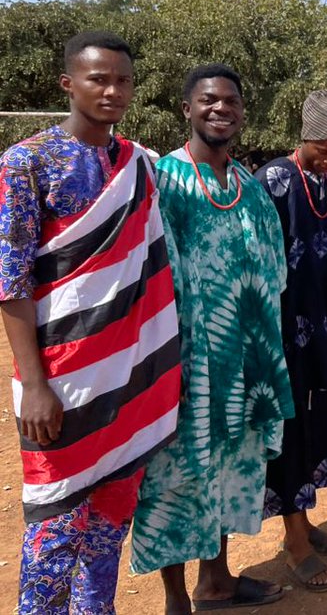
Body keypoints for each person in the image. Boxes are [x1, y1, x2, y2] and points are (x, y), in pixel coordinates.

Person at [0, 31, 180, 615]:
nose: (112, 91)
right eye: (98, 79)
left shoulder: (138, 165)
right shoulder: (25, 163)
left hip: (129, 373)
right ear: (68, 84)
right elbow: (11, 281)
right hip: (62, 377)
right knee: (55, 525)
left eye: (123, 80)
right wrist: (34, 384)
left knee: (108, 524)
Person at [131, 64, 294, 613]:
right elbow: (151, 275)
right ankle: (177, 598)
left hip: (245, 361)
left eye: (231, 101)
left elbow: (275, 272)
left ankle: (217, 581)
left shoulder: (249, 187)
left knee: (230, 468)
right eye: (208, 100)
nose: (220, 108)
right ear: (187, 109)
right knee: (176, 476)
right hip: (186, 363)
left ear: (243, 113)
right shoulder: (164, 181)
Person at [256, 90, 327, 594]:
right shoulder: (273, 180)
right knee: (290, 429)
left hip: (325, 325)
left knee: (317, 421)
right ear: (305, 138)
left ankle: (305, 519)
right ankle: (295, 542)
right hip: (284, 329)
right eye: (324, 150)